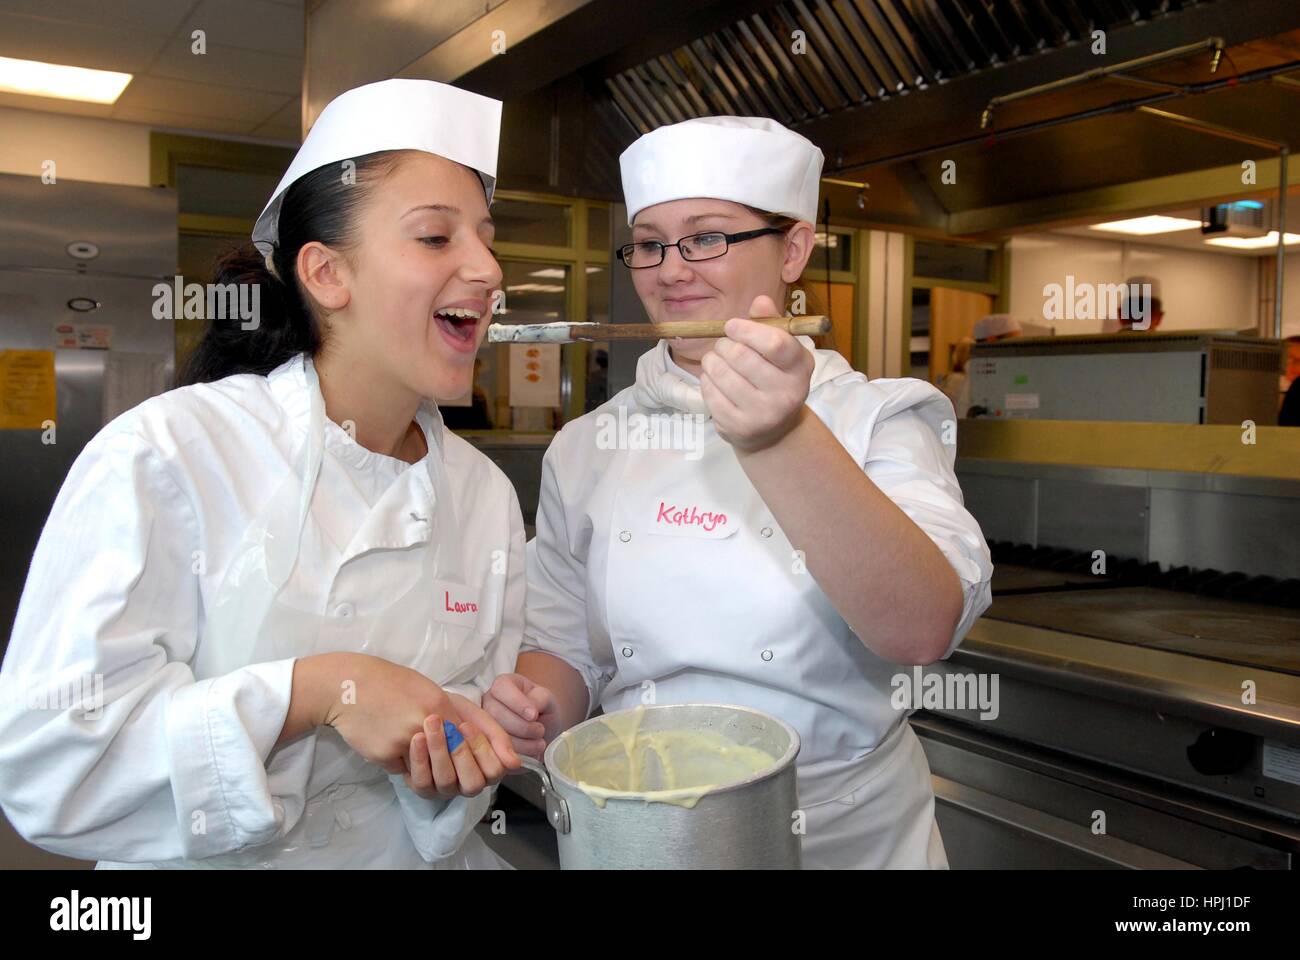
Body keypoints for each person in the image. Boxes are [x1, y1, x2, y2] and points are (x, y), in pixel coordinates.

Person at [0, 79, 525, 869]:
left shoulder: (482, 494)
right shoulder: (171, 452)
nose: (486, 269)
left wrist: (459, 751)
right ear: (325, 274)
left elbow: (464, 764)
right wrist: (321, 690)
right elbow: (51, 767)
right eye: (435, 237)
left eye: (486, 238)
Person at [484, 116, 993, 868]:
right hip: (642, 830)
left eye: (708, 237)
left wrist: (780, 437)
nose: (671, 270)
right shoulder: (587, 445)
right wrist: (538, 711)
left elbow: (921, 629)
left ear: (793, 250)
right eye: (650, 242)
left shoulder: (874, 416)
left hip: (839, 838)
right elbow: (564, 647)